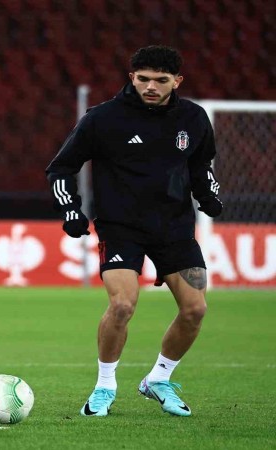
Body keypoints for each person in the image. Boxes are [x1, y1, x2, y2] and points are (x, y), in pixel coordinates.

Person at [46, 45, 223, 417]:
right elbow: (61, 167)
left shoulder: (193, 118)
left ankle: (158, 379)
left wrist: (208, 194)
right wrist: (71, 209)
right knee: (122, 305)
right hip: (121, 226)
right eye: (143, 79)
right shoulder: (102, 118)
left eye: (161, 80)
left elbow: (201, 164)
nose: (151, 86)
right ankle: (104, 386)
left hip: (174, 228)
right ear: (132, 78)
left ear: (177, 81)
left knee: (195, 310)